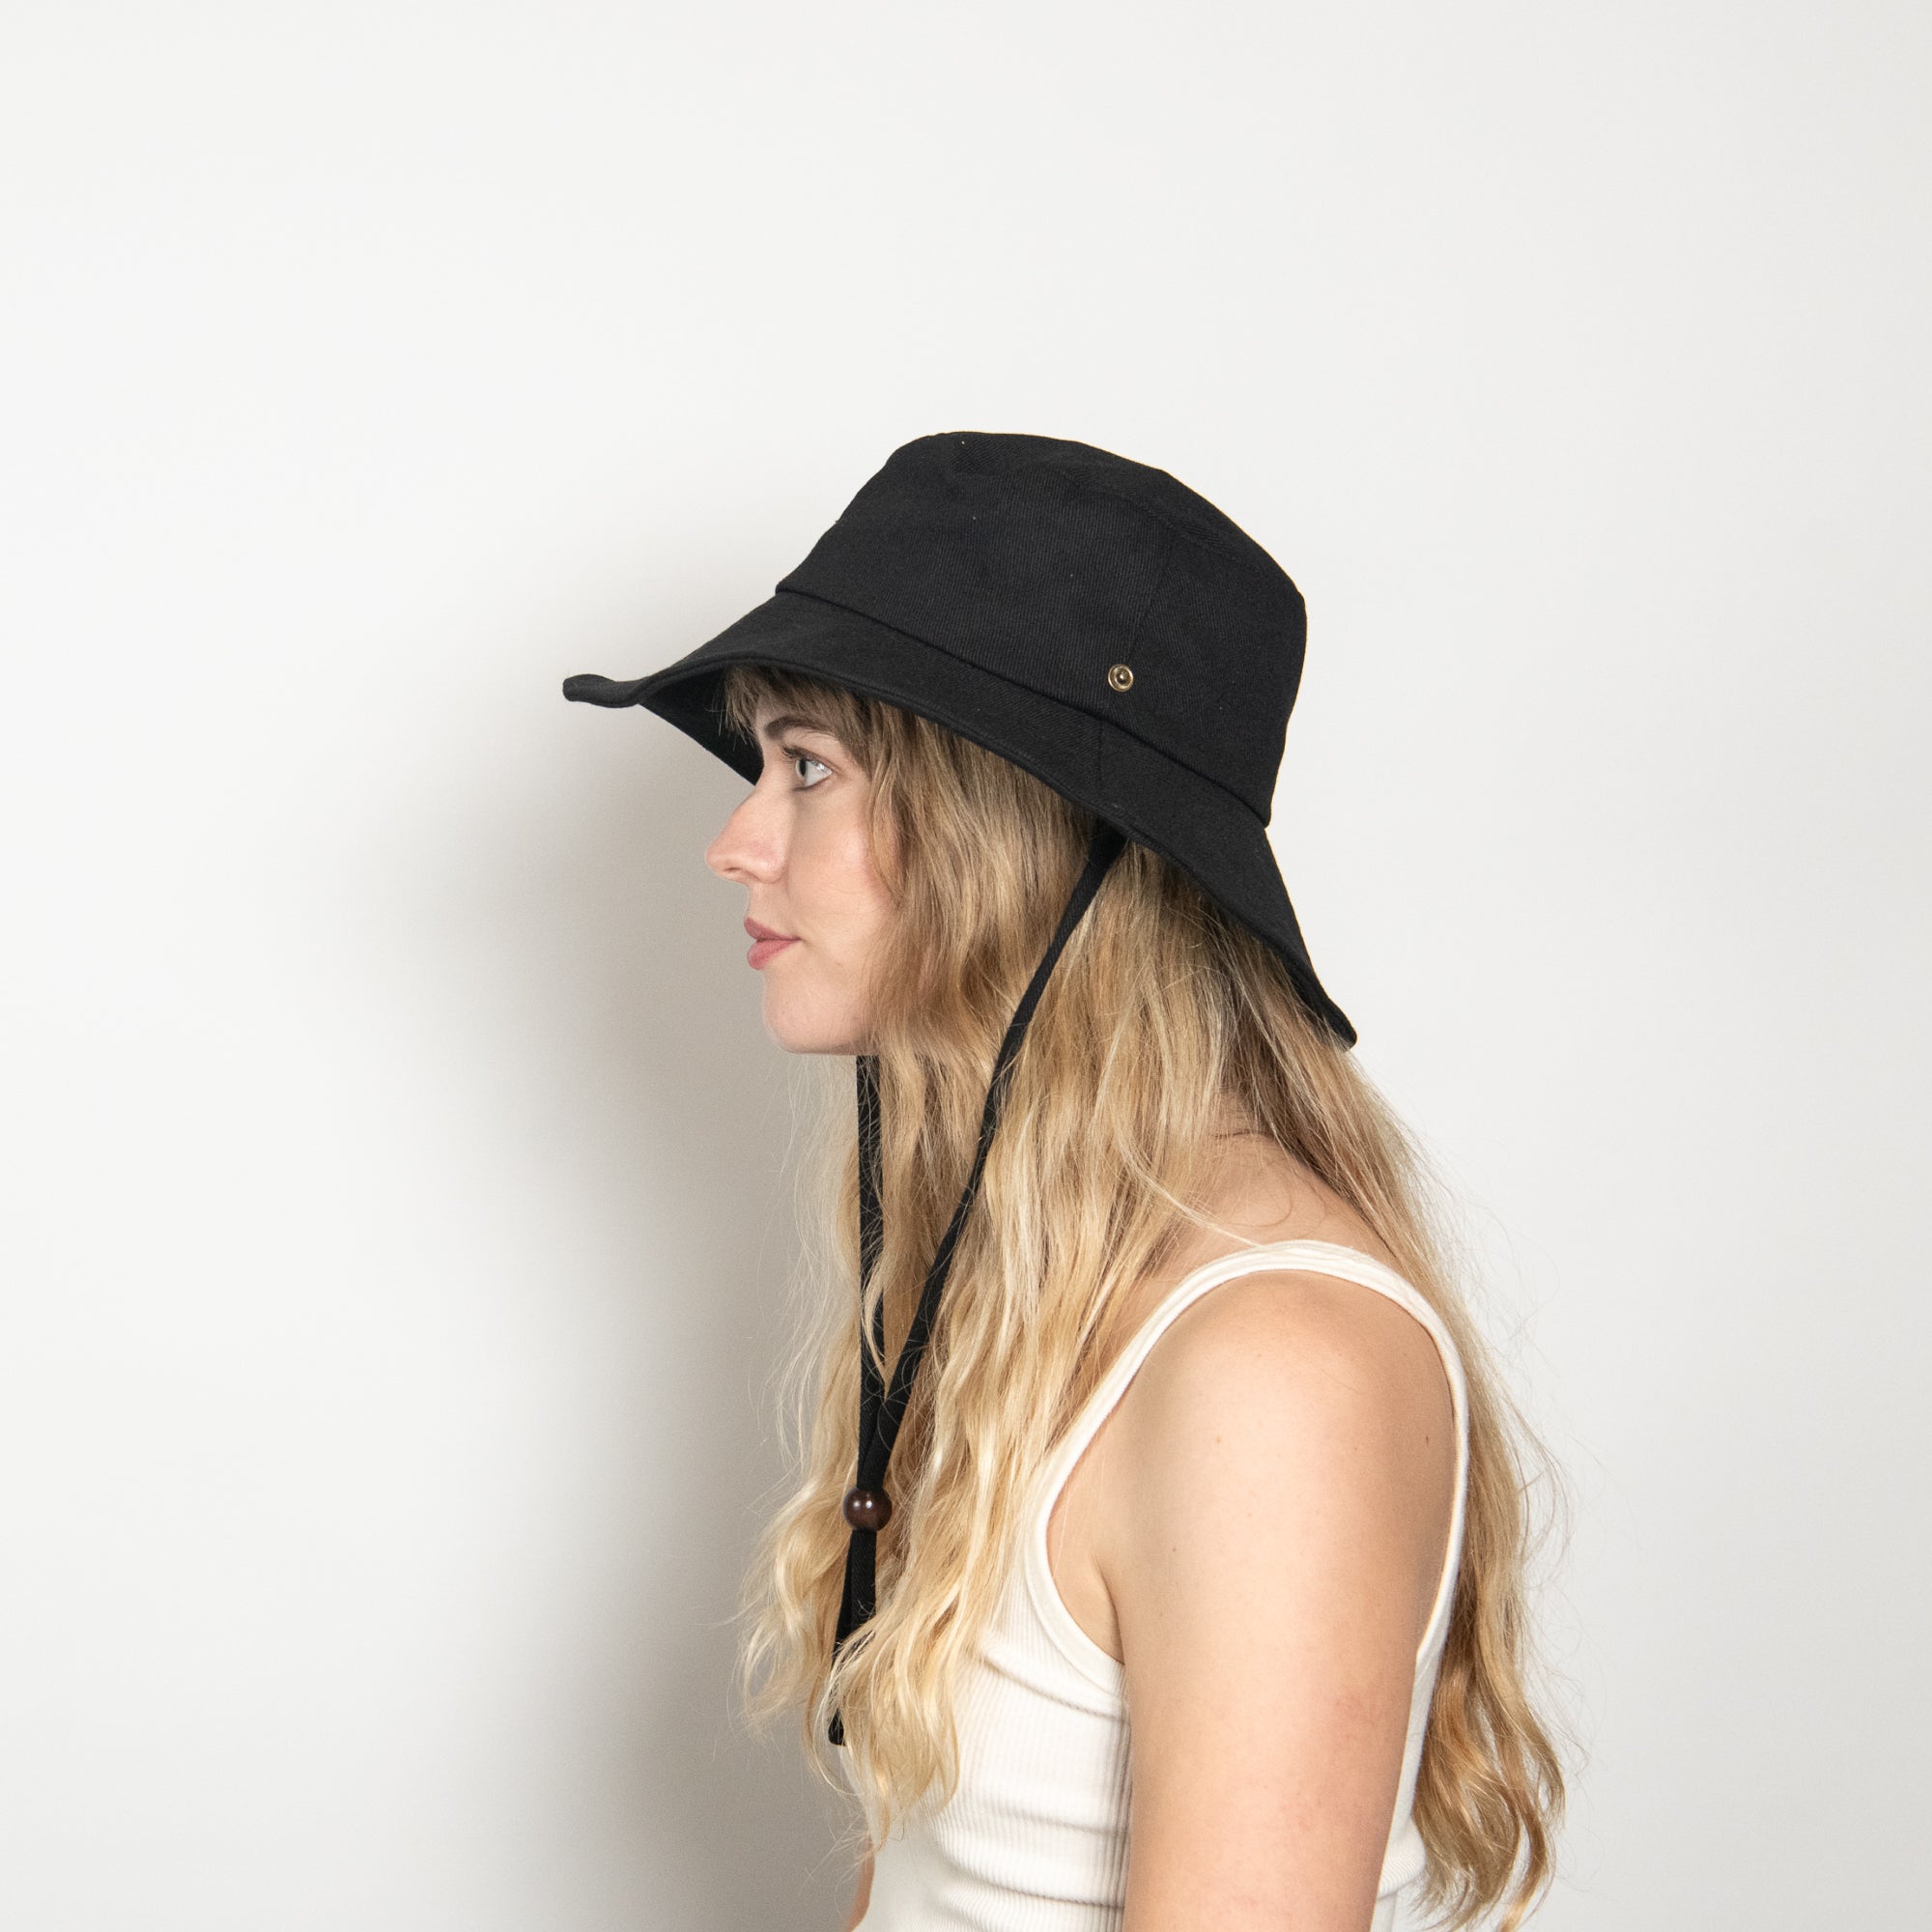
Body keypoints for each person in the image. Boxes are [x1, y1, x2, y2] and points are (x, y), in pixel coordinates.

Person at [564, 434, 1563, 1930]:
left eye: (808, 765)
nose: (735, 840)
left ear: (1008, 834)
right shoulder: (1019, 1268)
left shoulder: (1271, 1366)